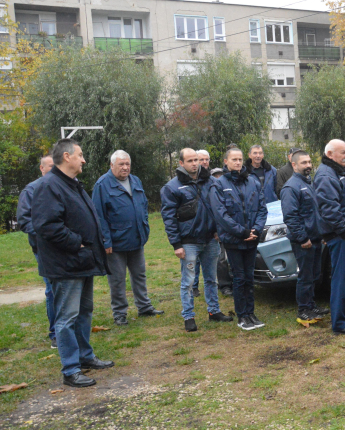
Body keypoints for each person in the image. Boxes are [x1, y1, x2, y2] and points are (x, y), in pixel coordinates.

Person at [31, 139, 113, 388]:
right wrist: (76, 242)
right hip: (66, 264)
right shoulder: (49, 185)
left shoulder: (72, 184)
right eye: (80, 155)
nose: (84, 159)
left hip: (82, 261)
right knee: (66, 317)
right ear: (66, 157)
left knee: (84, 312)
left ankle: (84, 357)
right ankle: (70, 369)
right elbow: (47, 226)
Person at [161, 148, 233, 332]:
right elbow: (169, 218)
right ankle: (188, 316)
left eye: (196, 160)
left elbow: (219, 207)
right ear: (181, 163)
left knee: (211, 278)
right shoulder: (172, 187)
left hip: (210, 239)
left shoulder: (210, 181)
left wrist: (218, 230)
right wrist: (176, 244)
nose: (195, 163)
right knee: (188, 281)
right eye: (191, 160)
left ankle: (214, 312)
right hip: (188, 241)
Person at [92, 150, 163, 326]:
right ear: (112, 165)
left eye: (127, 164)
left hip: (136, 239)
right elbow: (98, 216)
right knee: (117, 279)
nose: (125, 168)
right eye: (121, 164)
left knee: (139, 275)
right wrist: (106, 241)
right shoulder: (102, 185)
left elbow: (143, 204)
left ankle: (144, 307)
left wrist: (144, 227)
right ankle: (119, 313)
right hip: (115, 243)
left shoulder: (135, 180)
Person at [209, 147, 267, 331]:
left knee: (249, 277)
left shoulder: (253, 181)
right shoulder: (219, 184)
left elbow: (262, 208)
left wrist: (256, 229)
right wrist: (242, 232)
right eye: (234, 159)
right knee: (239, 277)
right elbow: (221, 214)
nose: (238, 162)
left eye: (240, 159)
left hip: (252, 238)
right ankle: (242, 315)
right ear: (225, 161)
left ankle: (251, 313)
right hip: (234, 240)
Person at [314, 139, 345, 335]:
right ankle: (341, 322)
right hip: (342, 236)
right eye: (342, 152)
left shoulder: (338, 172)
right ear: (330, 155)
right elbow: (329, 208)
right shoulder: (326, 175)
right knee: (341, 279)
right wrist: (344, 231)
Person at [280, 150, 329, 324]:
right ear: (294, 165)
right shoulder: (291, 187)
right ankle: (303, 310)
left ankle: (311, 305)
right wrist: (302, 238)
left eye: (309, 162)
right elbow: (291, 217)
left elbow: (316, 212)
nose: (308, 165)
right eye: (304, 163)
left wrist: (322, 233)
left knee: (315, 275)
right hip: (304, 242)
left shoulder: (309, 183)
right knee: (306, 276)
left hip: (315, 238)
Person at [16, 154, 57, 348]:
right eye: (49, 166)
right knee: (52, 290)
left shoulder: (63, 187)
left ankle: (68, 328)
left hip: (64, 248)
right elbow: (24, 221)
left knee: (65, 289)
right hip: (43, 249)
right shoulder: (31, 190)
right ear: (41, 169)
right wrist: (48, 235)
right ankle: (55, 333)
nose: (53, 169)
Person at [191, 150, 212, 297]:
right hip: (193, 228)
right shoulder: (189, 179)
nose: (204, 162)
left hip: (209, 229)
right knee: (194, 262)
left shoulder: (211, 179)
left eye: (206, 159)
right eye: (201, 159)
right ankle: (194, 286)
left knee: (209, 263)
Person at [211, 167, 233, 296]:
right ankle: (224, 285)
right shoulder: (213, 191)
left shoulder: (229, 189)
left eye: (220, 176)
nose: (218, 178)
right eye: (215, 176)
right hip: (219, 230)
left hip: (232, 229)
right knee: (221, 259)